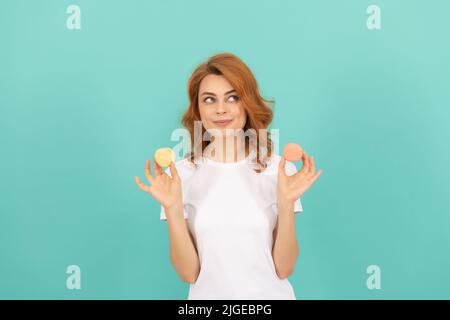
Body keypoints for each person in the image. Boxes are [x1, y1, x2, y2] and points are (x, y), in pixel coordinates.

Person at [135, 52, 322, 299]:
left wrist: (286, 204)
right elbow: (188, 274)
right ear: (198, 108)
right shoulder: (179, 175)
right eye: (209, 100)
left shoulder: (279, 170)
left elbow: (284, 268)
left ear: (247, 103)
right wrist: (172, 207)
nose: (221, 109)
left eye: (232, 97)